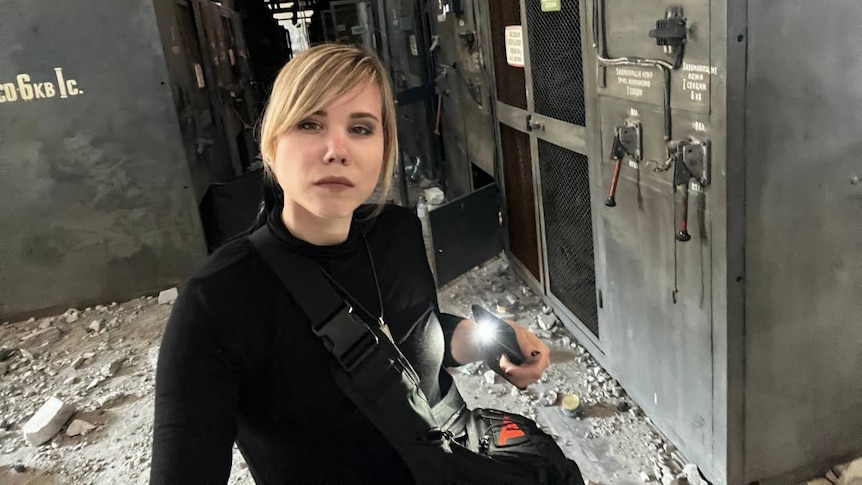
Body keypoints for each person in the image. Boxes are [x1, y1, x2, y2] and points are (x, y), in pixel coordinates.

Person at [150, 43, 550, 484]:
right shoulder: (218, 299)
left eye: (361, 128)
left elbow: (416, 334)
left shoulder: (397, 233)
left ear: (384, 148)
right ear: (271, 143)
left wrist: (487, 342)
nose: (337, 149)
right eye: (309, 123)